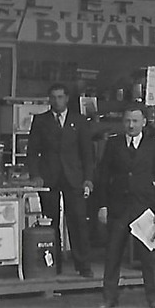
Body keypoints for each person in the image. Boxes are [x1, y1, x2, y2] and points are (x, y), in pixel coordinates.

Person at [91, 105, 155, 308]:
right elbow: (103, 176)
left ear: (143, 122)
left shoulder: (153, 146)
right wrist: (103, 205)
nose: (130, 125)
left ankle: (153, 298)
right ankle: (109, 297)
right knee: (113, 254)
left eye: (134, 121)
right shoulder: (113, 144)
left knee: (149, 257)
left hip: (144, 208)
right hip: (118, 207)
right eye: (127, 121)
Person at [25, 82, 97, 277]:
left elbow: (88, 154)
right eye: (53, 97)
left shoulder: (79, 121)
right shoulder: (41, 121)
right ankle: (52, 264)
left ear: (66, 98)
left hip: (74, 178)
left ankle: (83, 265)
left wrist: (88, 179)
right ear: (49, 99)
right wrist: (35, 175)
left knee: (78, 222)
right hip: (49, 177)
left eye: (60, 97)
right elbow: (32, 152)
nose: (56, 101)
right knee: (50, 222)